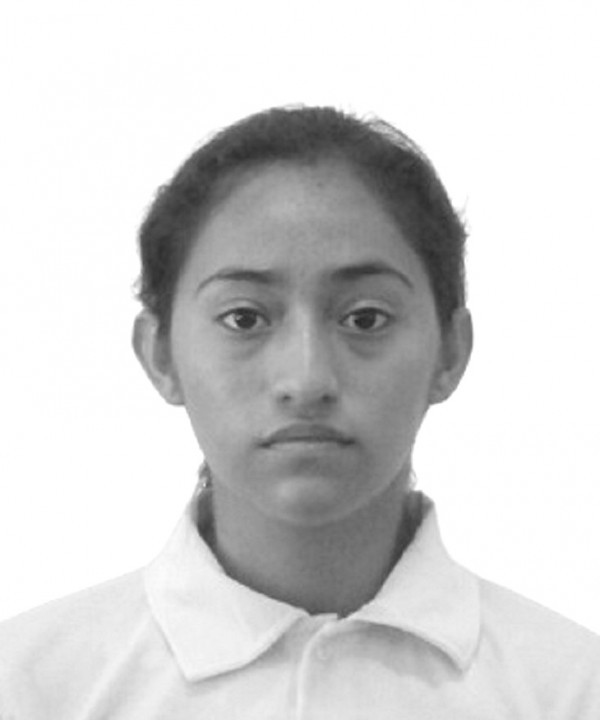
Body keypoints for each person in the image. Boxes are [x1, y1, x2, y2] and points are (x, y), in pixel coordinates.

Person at [1, 105, 599, 718]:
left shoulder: (571, 691)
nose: (307, 380)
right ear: (160, 354)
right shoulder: (32, 688)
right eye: (244, 318)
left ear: (449, 352)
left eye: (365, 318)